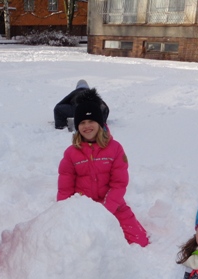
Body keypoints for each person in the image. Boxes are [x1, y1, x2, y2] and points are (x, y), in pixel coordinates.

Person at [57, 88, 149, 247]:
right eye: (82, 123)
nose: (87, 126)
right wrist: (64, 214)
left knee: (140, 242)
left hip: (113, 206)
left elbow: (119, 184)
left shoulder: (115, 149)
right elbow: (65, 189)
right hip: (83, 207)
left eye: (91, 121)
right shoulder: (71, 153)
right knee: (79, 245)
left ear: (100, 123)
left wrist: (106, 210)